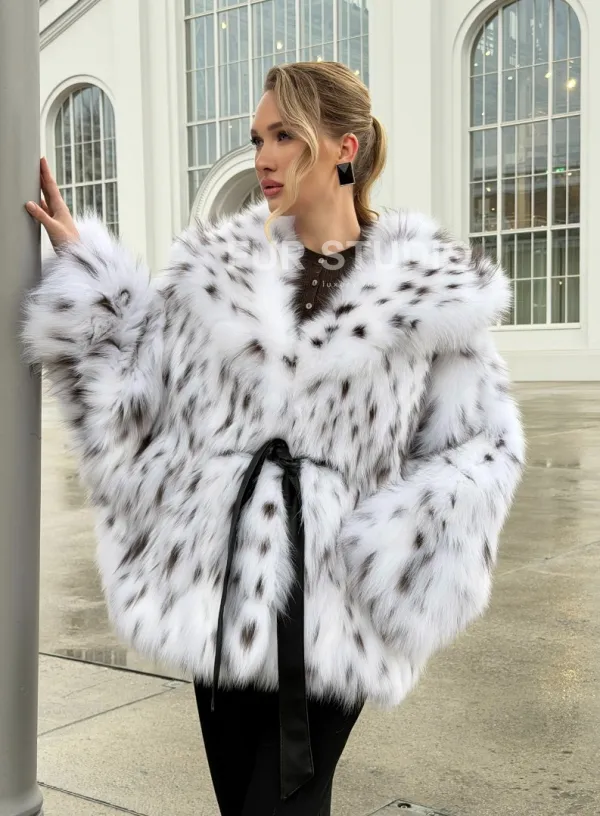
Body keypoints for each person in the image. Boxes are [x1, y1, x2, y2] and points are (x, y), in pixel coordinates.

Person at [22, 61, 524, 816]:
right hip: (223, 597)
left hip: (337, 610)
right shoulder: (216, 276)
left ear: (344, 147)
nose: (264, 156)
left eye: (285, 135)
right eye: (258, 138)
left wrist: (388, 557)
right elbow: (141, 393)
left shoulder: (428, 293)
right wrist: (86, 273)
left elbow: (482, 449)